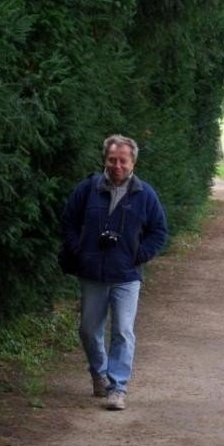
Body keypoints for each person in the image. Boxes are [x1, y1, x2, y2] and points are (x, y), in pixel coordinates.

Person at [61, 134, 168, 410]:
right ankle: (99, 372)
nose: (117, 165)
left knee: (122, 330)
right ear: (104, 160)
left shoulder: (146, 195)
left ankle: (117, 387)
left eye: (123, 160)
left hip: (127, 276)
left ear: (133, 162)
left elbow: (159, 231)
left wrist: (138, 255)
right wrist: (79, 250)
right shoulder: (87, 189)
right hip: (92, 273)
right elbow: (69, 221)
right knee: (88, 330)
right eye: (112, 160)